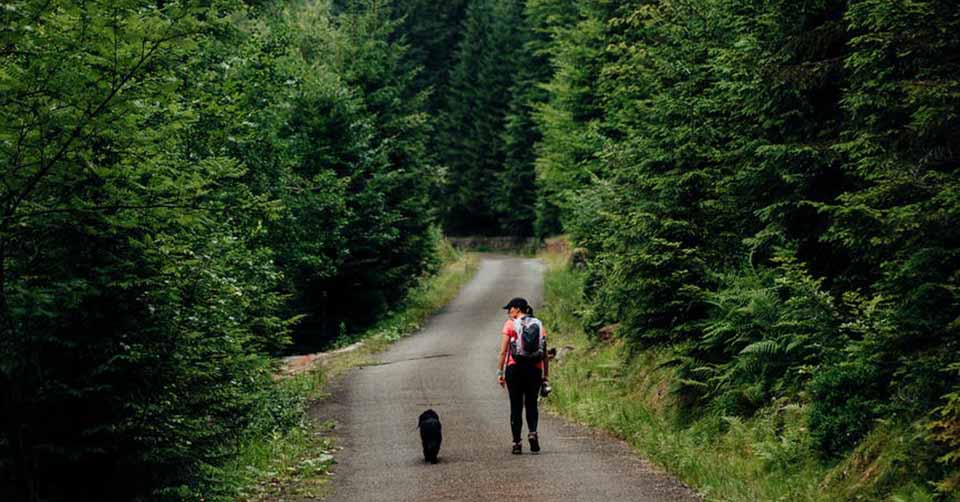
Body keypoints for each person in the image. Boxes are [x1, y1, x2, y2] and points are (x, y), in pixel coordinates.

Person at [496, 297, 549, 454]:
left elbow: (503, 351)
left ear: (518, 309)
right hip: (534, 369)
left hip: (515, 369)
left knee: (516, 405)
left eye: (510, 309)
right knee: (532, 404)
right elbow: (544, 352)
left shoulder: (510, 324)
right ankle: (532, 433)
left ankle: (517, 443)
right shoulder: (538, 324)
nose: (508, 312)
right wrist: (546, 375)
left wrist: (500, 372)